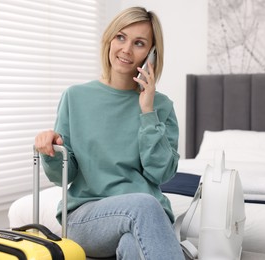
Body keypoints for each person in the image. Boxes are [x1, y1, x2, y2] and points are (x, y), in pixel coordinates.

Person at [35, 6, 184, 260]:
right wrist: (49, 150)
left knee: (132, 247)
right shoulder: (76, 97)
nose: (126, 49)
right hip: (85, 217)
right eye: (121, 37)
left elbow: (161, 172)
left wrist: (147, 112)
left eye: (139, 43)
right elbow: (64, 176)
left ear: (151, 54)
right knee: (145, 206)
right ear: (109, 39)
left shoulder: (161, 106)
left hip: (145, 215)